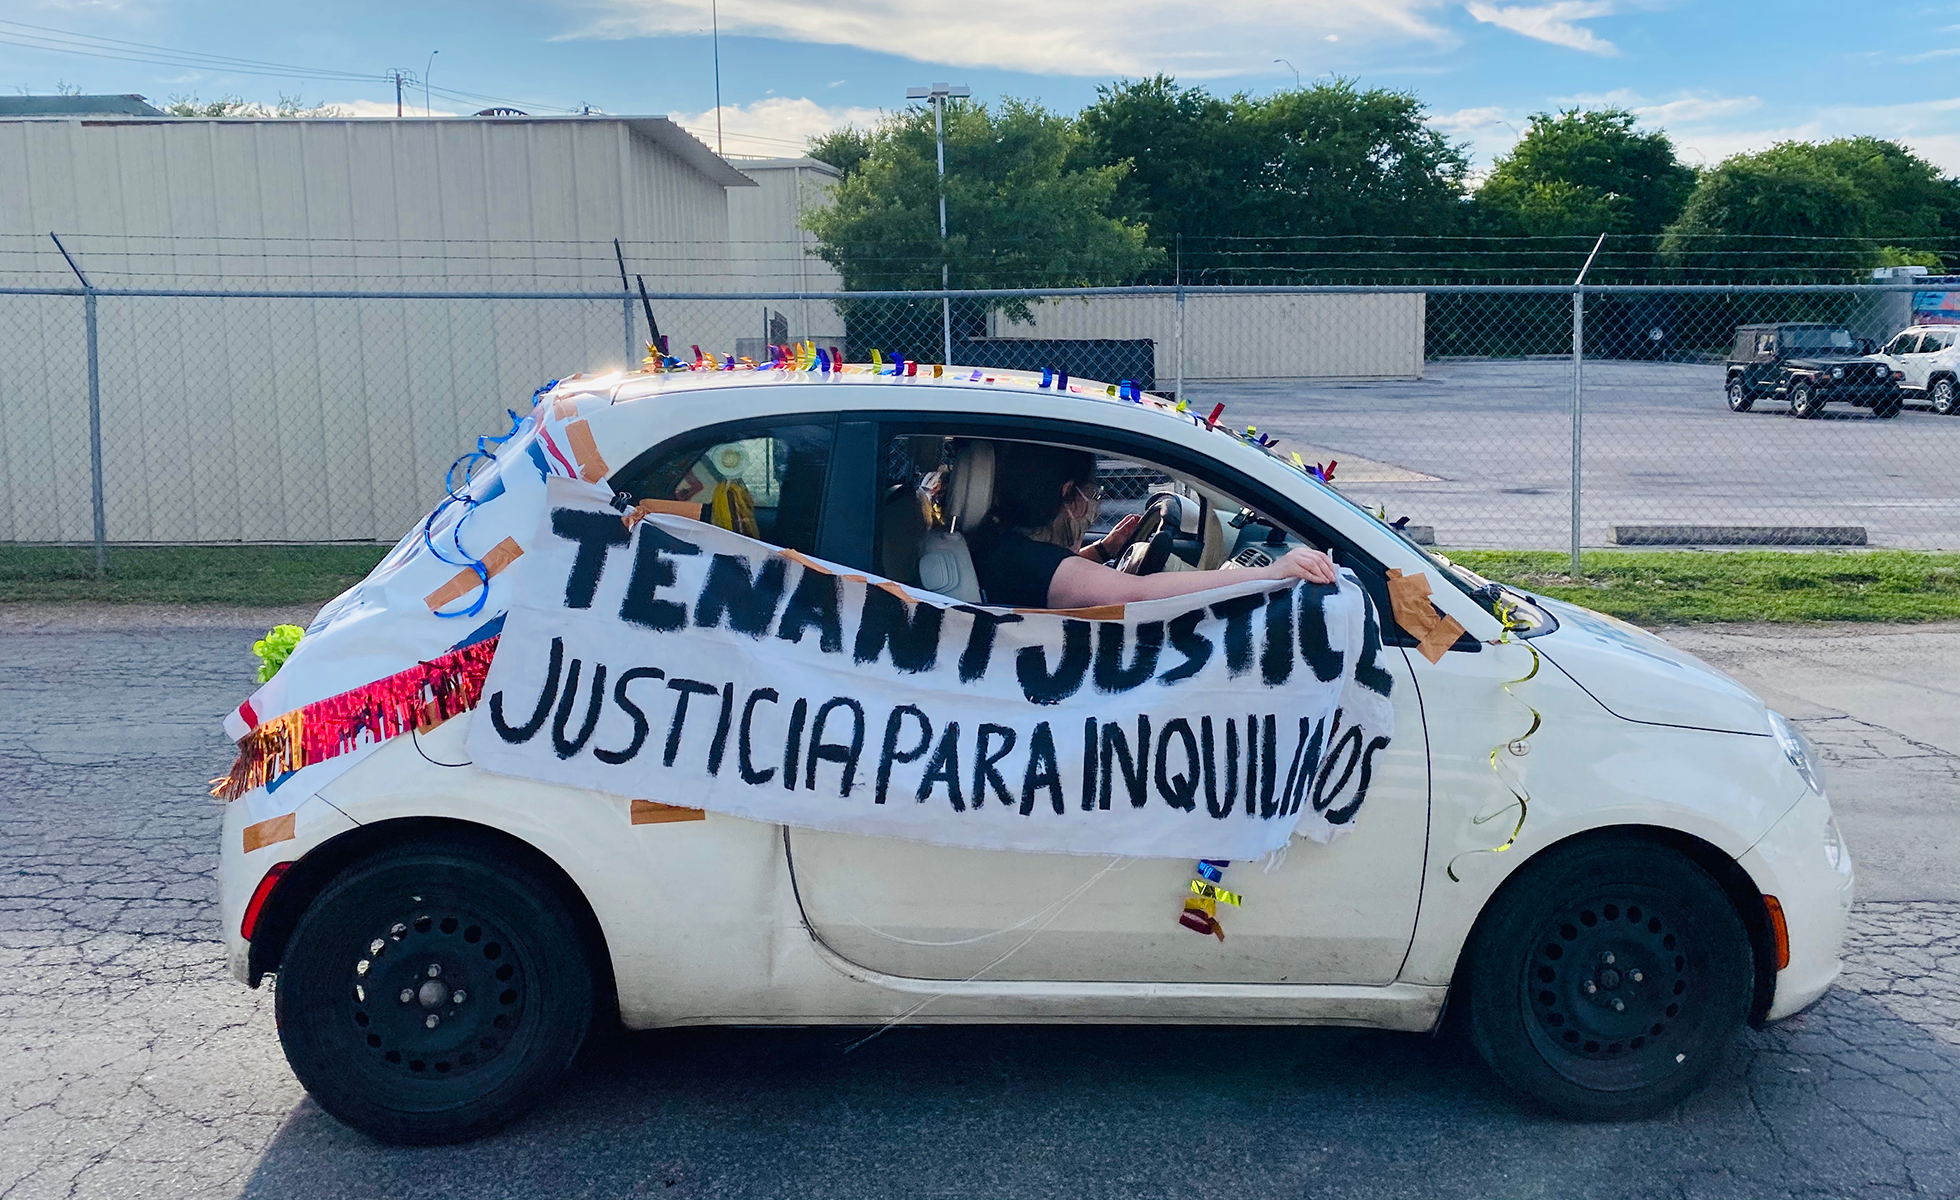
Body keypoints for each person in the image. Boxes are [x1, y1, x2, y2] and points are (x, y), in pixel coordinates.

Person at [967, 442, 1337, 609]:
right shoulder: (1035, 566)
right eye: (1092, 495)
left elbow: (1063, 576)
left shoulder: (1003, 545)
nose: (1093, 509)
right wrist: (1271, 573)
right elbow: (1138, 593)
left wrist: (1106, 550)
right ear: (1068, 493)